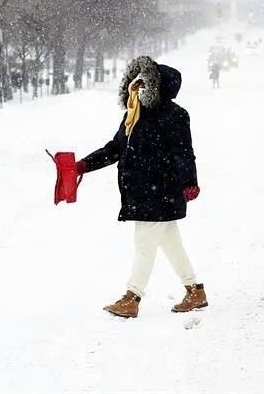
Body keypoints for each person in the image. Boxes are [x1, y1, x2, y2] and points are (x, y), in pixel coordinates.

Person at [75, 56, 206, 318]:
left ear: (160, 86)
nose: (140, 84)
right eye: (140, 80)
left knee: (144, 245)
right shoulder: (133, 113)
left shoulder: (175, 115)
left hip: (162, 192)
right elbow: (115, 148)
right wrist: (84, 165)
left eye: (147, 80)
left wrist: (189, 182)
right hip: (141, 191)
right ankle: (195, 291)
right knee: (170, 244)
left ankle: (132, 297)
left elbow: (184, 153)